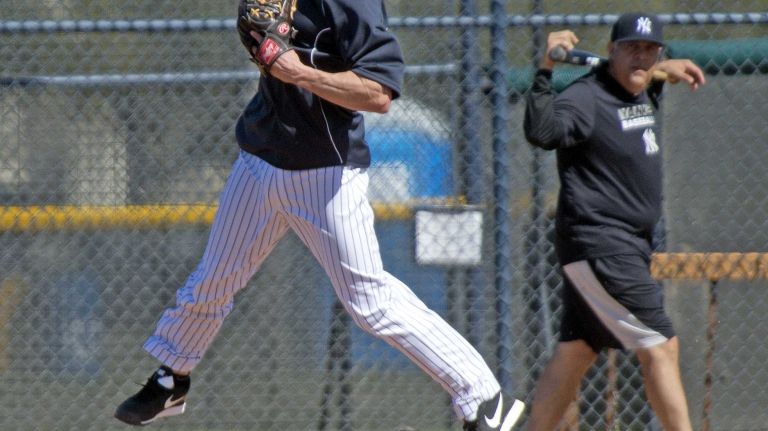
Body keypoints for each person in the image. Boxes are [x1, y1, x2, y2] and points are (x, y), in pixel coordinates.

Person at [114, 1, 525, 429]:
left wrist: (298, 72)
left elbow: (378, 93)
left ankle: (484, 397)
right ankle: (171, 377)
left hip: (325, 175)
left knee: (372, 303)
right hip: (261, 159)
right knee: (213, 279)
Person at [522, 12, 705, 431]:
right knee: (660, 345)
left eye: (650, 49)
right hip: (601, 244)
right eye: (631, 48)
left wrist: (663, 70)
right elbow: (542, 132)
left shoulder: (639, 88)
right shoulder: (586, 98)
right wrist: (545, 68)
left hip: (628, 245)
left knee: (577, 350)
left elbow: (643, 76)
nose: (640, 57)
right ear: (610, 51)